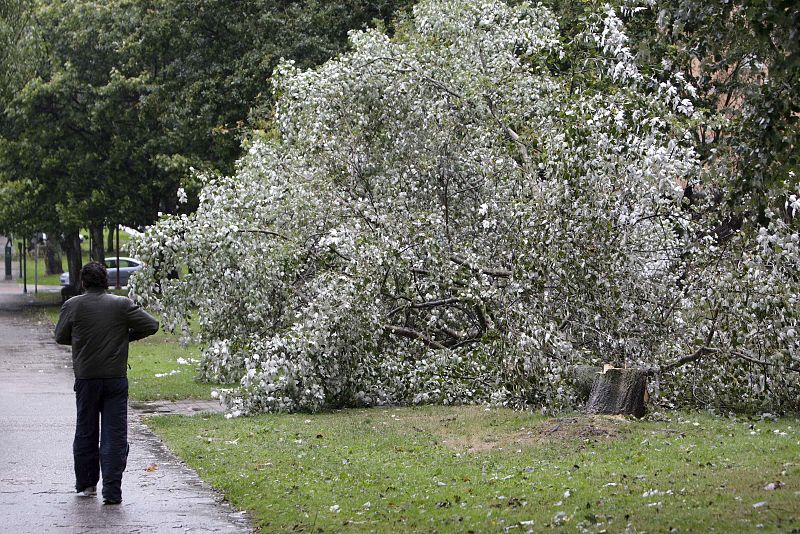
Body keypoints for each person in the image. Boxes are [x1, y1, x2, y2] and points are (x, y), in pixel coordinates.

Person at [54, 261, 159, 505]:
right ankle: (112, 491)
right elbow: (151, 325)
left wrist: (82, 341)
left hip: (86, 378)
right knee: (114, 434)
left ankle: (86, 485)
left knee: (86, 431)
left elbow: (60, 336)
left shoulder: (73, 305)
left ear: (82, 282)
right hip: (115, 378)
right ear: (106, 282)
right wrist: (125, 337)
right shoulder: (121, 305)